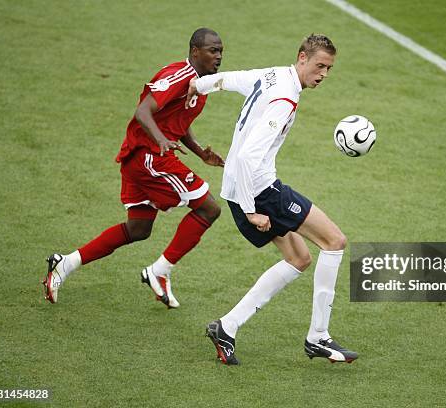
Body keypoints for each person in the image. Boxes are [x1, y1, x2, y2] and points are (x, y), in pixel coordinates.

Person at [187, 34, 358, 364]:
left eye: (329, 69)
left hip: (238, 188)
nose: (323, 74)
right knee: (334, 241)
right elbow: (250, 156)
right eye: (320, 66)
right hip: (260, 191)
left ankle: (227, 326)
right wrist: (252, 210)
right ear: (302, 58)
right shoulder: (285, 99)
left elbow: (235, 79)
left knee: (299, 259)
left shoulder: (274, 74)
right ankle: (318, 337)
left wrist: (201, 85)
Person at [42, 28, 225, 309]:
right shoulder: (178, 76)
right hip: (150, 157)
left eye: (221, 51)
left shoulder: (201, 83)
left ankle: (64, 264)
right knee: (209, 208)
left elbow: (178, 118)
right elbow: (143, 111)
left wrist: (200, 152)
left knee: (139, 228)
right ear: (194, 52)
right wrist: (161, 139)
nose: (219, 56)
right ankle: (159, 271)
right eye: (213, 50)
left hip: (142, 157)